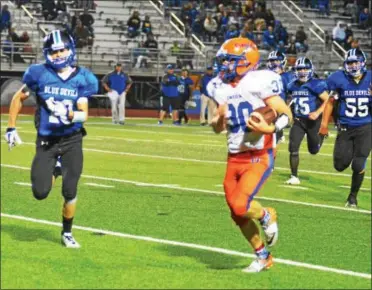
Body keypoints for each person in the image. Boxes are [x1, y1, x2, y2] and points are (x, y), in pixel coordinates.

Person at [4, 30, 98, 247]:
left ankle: (67, 232)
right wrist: (11, 128)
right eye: (54, 51)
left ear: (71, 49)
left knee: (70, 190)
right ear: (47, 53)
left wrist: (72, 114)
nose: (58, 55)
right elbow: (19, 98)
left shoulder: (83, 77)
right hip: (46, 141)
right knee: (40, 192)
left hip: (72, 140)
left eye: (62, 50)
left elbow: (84, 113)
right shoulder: (38, 73)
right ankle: (55, 168)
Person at [211, 37, 293, 272]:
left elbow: (286, 113)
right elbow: (218, 128)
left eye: (230, 61)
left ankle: (266, 214)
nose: (224, 66)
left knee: (239, 205)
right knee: (237, 214)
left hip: (259, 154)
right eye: (224, 61)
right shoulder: (223, 87)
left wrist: (272, 128)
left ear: (246, 62)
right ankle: (263, 256)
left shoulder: (260, 81)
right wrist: (217, 120)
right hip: (234, 155)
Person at [319, 48, 371, 207]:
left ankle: (352, 196)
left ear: (363, 62)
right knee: (340, 165)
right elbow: (330, 103)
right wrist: (324, 124)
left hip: (366, 127)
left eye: (356, 62)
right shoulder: (338, 78)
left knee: (358, 164)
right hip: (345, 128)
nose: (353, 66)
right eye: (350, 62)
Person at [285, 57, 329, 185]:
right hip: (299, 120)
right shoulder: (292, 85)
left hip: (313, 122)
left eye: (305, 68)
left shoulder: (316, 84)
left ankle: (321, 135)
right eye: (299, 69)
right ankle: (294, 176)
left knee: (313, 150)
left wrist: (317, 112)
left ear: (310, 70)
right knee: (293, 147)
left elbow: (328, 101)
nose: (302, 71)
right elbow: (291, 101)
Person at [266, 50, 294, 144]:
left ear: (283, 61)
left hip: (280, 105)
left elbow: (293, 93)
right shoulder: (265, 75)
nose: (274, 63)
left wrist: (288, 105)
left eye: (277, 60)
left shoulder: (287, 76)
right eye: (272, 61)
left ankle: (279, 134)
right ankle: (279, 134)